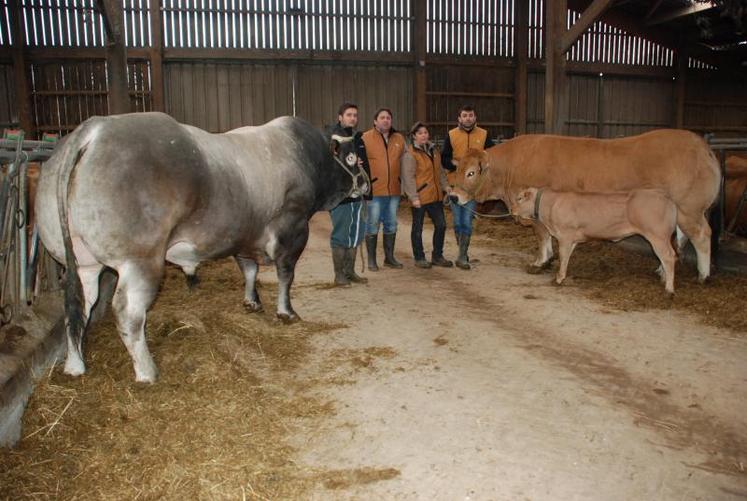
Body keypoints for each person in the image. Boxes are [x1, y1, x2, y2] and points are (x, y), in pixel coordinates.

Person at [441, 105, 496, 270]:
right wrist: (456, 165)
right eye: (464, 115)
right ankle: (462, 252)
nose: (468, 118)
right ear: (459, 118)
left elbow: (492, 156)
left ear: (475, 117)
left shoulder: (484, 134)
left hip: (473, 187)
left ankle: (462, 256)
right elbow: (444, 158)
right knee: (457, 221)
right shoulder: (451, 135)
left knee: (467, 221)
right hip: (456, 185)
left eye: (471, 115)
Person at [326, 102, 370, 286]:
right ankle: (339, 275)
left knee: (356, 232)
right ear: (340, 117)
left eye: (355, 115)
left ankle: (350, 271)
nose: (353, 118)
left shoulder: (356, 138)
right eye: (349, 114)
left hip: (356, 192)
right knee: (341, 234)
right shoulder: (333, 138)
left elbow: (358, 163)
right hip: (340, 194)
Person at [401, 122, 453, 269]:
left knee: (441, 225)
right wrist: (413, 197)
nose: (424, 135)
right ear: (414, 136)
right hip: (420, 197)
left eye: (425, 132)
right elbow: (408, 177)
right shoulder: (410, 154)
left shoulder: (434, 151)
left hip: (435, 196)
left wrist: (446, 187)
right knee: (418, 228)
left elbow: (440, 172)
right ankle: (419, 257)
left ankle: (437, 256)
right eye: (420, 133)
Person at [361, 108, 407, 271]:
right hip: (375, 190)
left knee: (391, 224)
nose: (386, 120)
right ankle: (372, 260)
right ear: (375, 121)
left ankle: (389, 258)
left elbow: (406, 162)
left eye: (388, 117)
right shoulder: (365, 138)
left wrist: (406, 185)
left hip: (394, 190)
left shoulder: (399, 138)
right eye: (382, 117)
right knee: (372, 224)